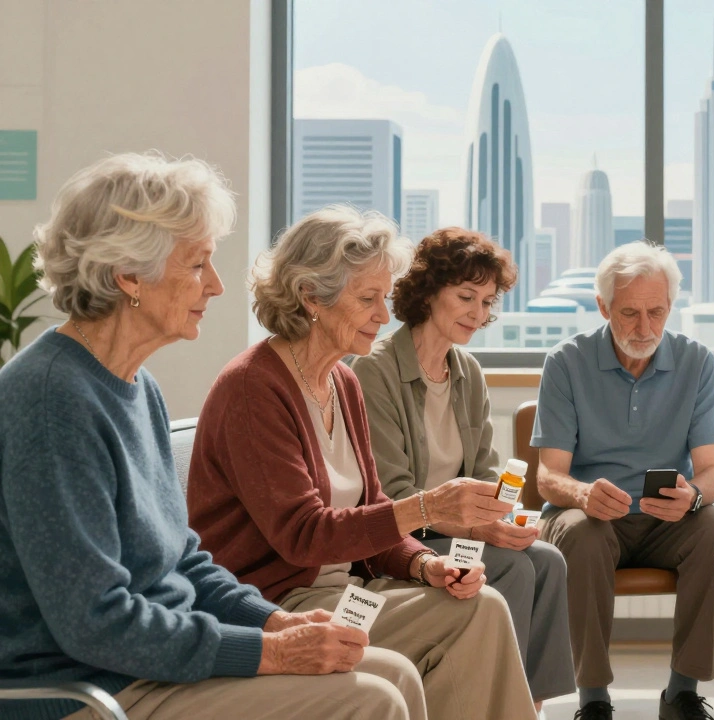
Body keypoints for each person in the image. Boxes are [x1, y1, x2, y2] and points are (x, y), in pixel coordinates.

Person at [0, 153, 427, 720]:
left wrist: (274, 621)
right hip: (93, 689)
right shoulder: (52, 398)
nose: (218, 285)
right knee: (369, 699)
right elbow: (96, 622)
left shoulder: (135, 386)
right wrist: (267, 652)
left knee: (390, 671)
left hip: (153, 666)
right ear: (129, 276)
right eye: (199, 264)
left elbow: (184, 559)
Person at [186, 205, 536, 720]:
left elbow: (371, 511)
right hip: (282, 606)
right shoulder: (252, 387)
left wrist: (424, 564)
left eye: (383, 297)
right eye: (367, 298)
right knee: (470, 620)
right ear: (312, 297)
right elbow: (304, 536)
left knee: (481, 607)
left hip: (349, 590)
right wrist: (426, 507)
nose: (384, 314)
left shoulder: (342, 381)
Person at [351, 226, 576, 708]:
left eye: (488, 302)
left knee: (550, 561)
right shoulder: (375, 371)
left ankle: (531, 706)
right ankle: (498, 704)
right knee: (512, 566)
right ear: (429, 292)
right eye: (466, 297)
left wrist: (506, 518)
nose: (479, 314)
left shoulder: (467, 371)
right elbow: (391, 494)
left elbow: (488, 473)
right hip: (410, 536)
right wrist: (482, 532)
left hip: (462, 529)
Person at [532, 241, 714, 720]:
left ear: (671, 306)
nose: (645, 328)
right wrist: (582, 494)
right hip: (591, 519)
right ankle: (594, 699)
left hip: (668, 520)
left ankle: (682, 693)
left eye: (657, 312)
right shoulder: (566, 362)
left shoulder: (697, 361)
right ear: (603, 306)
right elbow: (547, 476)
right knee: (583, 535)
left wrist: (693, 497)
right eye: (629, 313)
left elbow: (712, 471)